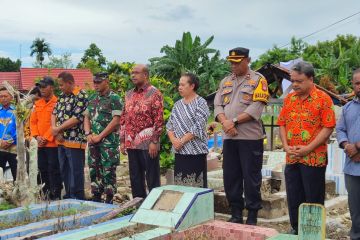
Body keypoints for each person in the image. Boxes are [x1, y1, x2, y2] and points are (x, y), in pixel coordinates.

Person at [277, 61, 335, 235]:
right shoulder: (290, 99)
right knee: (294, 195)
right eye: (292, 80)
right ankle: (296, 228)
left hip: (313, 158)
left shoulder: (323, 99)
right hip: (292, 156)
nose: (294, 84)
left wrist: (308, 148)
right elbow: (282, 123)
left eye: (299, 81)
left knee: (313, 197)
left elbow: (328, 127)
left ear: (311, 79)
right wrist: (286, 146)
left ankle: (314, 232)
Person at [214, 47, 269, 225]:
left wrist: (234, 121)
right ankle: (236, 212)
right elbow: (217, 106)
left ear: (247, 60)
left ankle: (252, 214)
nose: (233, 66)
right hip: (230, 138)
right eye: (231, 62)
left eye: (237, 62)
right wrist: (225, 122)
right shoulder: (225, 82)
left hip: (250, 138)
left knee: (251, 177)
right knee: (231, 176)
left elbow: (256, 108)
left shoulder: (258, 80)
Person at [120, 64, 163, 199]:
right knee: (135, 177)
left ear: (145, 75)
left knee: (152, 177)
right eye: (132, 73)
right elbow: (123, 118)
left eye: (136, 73)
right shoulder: (128, 94)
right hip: (132, 143)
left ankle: (154, 207)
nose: (133, 75)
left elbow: (158, 119)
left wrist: (154, 141)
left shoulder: (154, 93)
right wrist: (122, 140)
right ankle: (137, 206)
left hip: (148, 144)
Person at [84, 72, 122, 203]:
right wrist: (88, 134)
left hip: (108, 144)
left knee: (108, 171)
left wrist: (100, 136)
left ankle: (109, 199)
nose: (96, 85)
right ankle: (96, 196)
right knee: (94, 169)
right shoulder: (92, 98)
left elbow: (116, 120)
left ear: (107, 81)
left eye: (99, 82)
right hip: (93, 141)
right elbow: (86, 117)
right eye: (94, 82)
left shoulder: (115, 98)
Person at [166, 73, 209, 188]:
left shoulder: (201, 103)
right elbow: (169, 125)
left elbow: (198, 126)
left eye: (183, 85)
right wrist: (174, 140)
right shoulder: (177, 105)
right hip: (180, 152)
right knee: (181, 185)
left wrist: (181, 141)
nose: (179, 87)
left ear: (192, 86)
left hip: (196, 152)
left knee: (196, 185)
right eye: (179, 85)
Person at [51, 71, 88, 200]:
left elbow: (77, 118)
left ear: (70, 83)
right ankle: (68, 196)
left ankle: (77, 198)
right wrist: (55, 130)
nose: (60, 88)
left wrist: (58, 129)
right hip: (61, 140)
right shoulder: (62, 96)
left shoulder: (81, 95)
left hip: (74, 140)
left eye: (61, 85)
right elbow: (54, 113)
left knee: (75, 171)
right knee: (64, 170)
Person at [336, 68, 360, 240]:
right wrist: (347, 146)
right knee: (355, 207)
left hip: (355, 154)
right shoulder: (347, 108)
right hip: (352, 166)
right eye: (357, 83)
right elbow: (340, 129)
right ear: (353, 84)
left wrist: (357, 146)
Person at [30, 77, 62, 200]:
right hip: (39, 144)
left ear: (52, 87)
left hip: (52, 144)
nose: (41, 89)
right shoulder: (37, 104)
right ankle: (46, 194)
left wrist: (46, 138)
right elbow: (33, 122)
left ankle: (56, 194)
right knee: (42, 169)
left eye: (44, 87)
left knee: (54, 169)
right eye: (40, 87)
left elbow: (57, 123)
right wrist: (37, 136)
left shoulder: (58, 103)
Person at [0, 87, 17, 181]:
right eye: (1, 96)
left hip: (14, 148)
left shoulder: (18, 111)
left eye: (5, 96)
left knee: (17, 174)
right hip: (0, 147)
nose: (3, 98)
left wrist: (10, 141)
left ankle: (18, 194)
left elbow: (21, 129)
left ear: (11, 97)